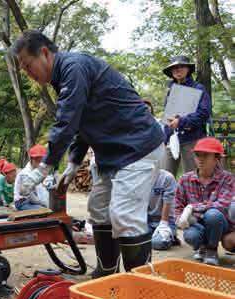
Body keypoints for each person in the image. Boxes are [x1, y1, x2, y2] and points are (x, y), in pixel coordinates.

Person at [11, 30, 165, 276]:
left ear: (44, 53)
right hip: (113, 153)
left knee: (124, 215)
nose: (28, 73)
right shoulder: (64, 77)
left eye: (28, 66)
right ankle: (106, 272)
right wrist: (73, 163)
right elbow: (81, 124)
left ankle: (141, 284)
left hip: (138, 147)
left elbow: (67, 120)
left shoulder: (74, 67)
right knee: (99, 208)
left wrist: (43, 168)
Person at [175, 137, 233, 265]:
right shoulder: (185, 179)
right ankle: (201, 247)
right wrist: (180, 219)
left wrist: (191, 209)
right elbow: (177, 207)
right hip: (196, 224)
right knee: (190, 235)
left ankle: (212, 249)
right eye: (197, 155)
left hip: (219, 223)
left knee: (213, 215)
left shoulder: (227, 179)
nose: (200, 159)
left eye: (205, 155)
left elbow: (221, 205)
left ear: (217, 159)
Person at [161, 56, 212, 177]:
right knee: (165, 176)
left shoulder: (198, 88)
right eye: (174, 68)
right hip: (172, 140)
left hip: (192, 139)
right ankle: (170, 196)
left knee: (192, 177)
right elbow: (167, 117)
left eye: (181, 66)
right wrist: (164, 138)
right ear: (171, 72)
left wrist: (181, 121)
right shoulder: (170, 91)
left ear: (188, 69)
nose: (178, 70)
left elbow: (204, 113)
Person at [149, 169, 179, 250]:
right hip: (146, 220)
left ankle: (168, 236)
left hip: (166, 220)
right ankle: (166, 236)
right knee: (130, 239)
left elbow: (168, 202)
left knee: (158, 243)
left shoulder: (167, 177)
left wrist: (163, 224)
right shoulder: (137, 177)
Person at [14, 144, 49, 210]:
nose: (39, 164)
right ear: (31, 159)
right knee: (43, 210)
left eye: (41, 161)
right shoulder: (25, 174)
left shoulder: (38, 171)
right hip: (23, 202)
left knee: (47, 208)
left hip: (34, 201)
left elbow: (42, 191)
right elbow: (30, 195)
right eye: (37, 161)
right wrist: (43, 204)